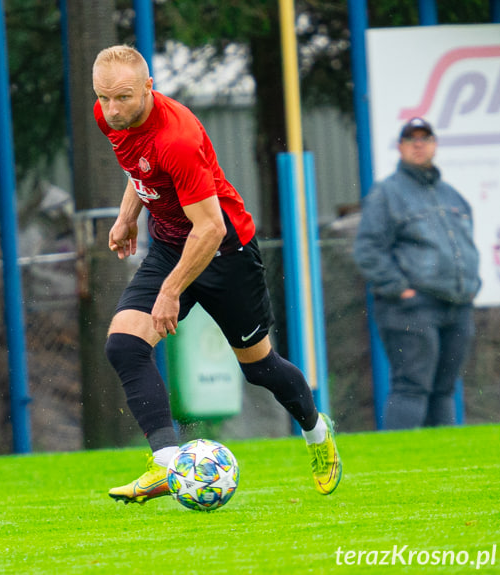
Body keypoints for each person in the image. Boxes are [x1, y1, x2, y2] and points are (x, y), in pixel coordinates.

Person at [91, 45, 342, 504]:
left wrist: (170, 291)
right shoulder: (111, 115)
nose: (111, 109)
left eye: (122, 97)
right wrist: (127, 216)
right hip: (171, 245)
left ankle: (316, 431)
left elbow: (211, 227)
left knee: (260, 369)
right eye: (103, 98)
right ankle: (167, 464)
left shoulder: (178, 138)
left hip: (226, 252)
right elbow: (139, 167)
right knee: (124, 344)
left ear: (149, 88)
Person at [354, 117, 480, 430]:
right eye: (411, 139)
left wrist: (470, 284)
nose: (419, 144)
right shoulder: (387, 193)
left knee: (444, 389)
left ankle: (445, 464)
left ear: (435, 145)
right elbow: (367, 250)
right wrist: (400, 288)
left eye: (425, 138)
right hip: (411, 306)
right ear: (400, 147)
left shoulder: (451, 195)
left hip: (456, 304)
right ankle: (398, 465)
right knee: (411, 386)